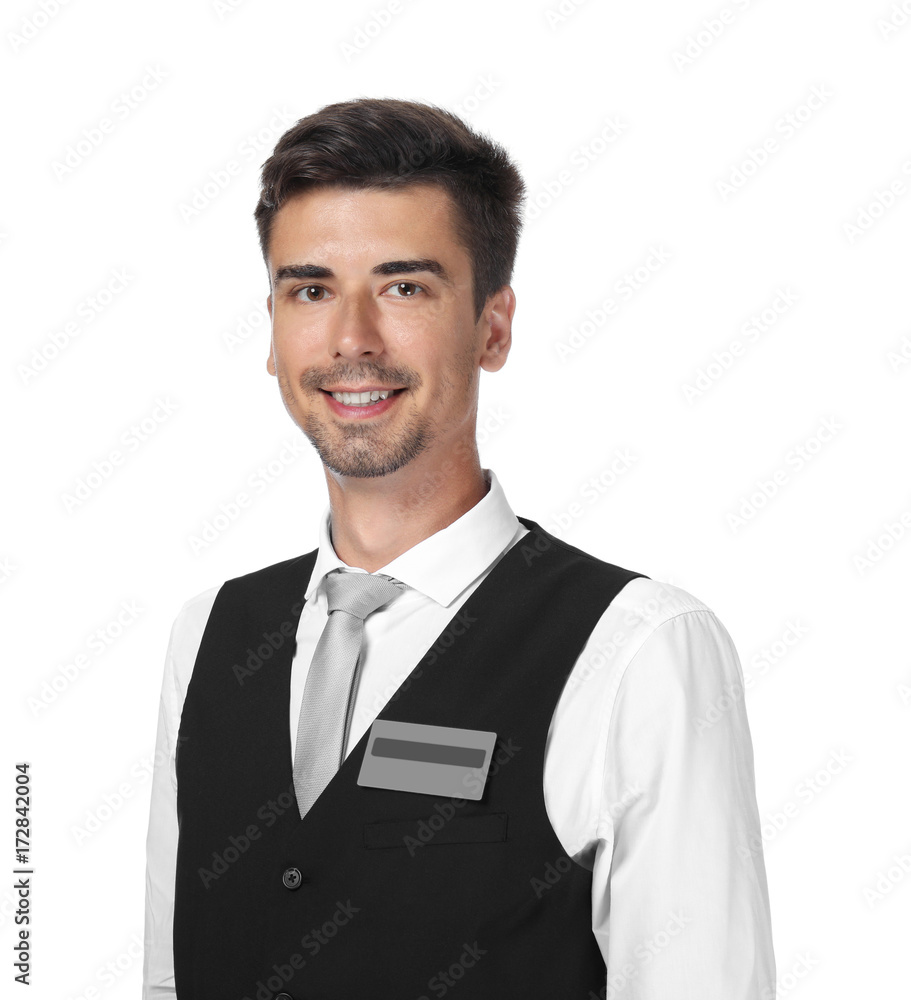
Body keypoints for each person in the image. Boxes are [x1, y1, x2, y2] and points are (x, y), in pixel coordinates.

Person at [142, 97, 775, 1000]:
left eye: (405, 287)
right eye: (311, 289)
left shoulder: (637, 651)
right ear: (275, 333)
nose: (352, 340)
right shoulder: (209, 635)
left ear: (492, 326)